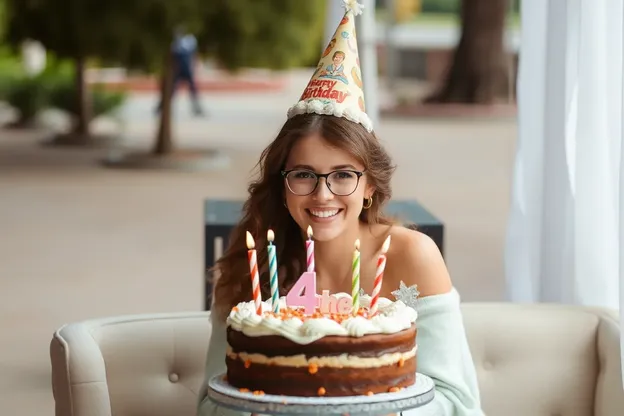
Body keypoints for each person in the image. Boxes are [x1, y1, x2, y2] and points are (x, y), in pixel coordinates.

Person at [197, 1, 483, 415]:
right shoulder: (251, 266)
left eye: (343, 175)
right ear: (282, 185)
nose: (323, 194)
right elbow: (210, 403)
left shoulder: (412, 257)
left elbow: (459, 403)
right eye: (304, 174)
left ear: (369, 186)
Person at [156, 26, 205, 116]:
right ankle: (161, 108)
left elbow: (194, 55)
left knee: (193, 90)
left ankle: (197, 109)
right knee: (171, 90)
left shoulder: (191, 40)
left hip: (187, 68)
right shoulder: (176, 41)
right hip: (178, 69)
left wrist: (195, 66)